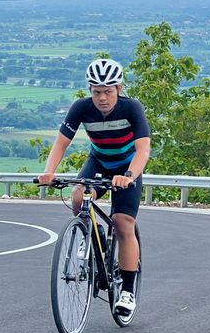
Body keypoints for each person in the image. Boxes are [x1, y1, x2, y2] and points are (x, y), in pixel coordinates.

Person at [37, 58, 150, 316]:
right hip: (98, 161)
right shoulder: (81, 108)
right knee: (78, 197)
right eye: (97, 92)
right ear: (90, 90)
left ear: (118, 89)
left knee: (123, 224)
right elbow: (61, 143)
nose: (102, 98)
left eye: (108, 92)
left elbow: (143, 149)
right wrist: (49, 171)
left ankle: (127, 292)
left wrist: (129, 175)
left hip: (126, 167)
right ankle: (91, 231)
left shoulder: (132, 108)